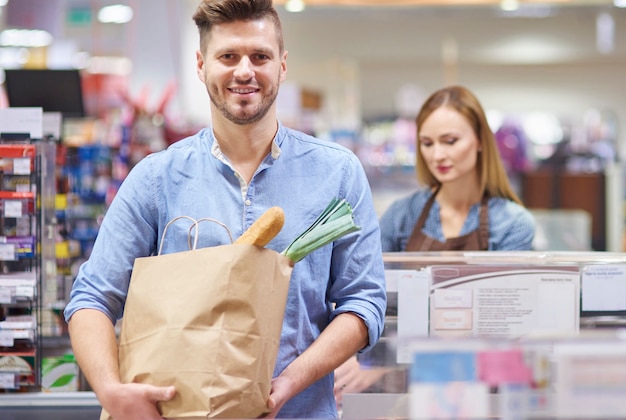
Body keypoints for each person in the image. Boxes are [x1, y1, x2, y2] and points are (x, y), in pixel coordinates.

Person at [63, 1, 386, 419]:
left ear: (282, 65)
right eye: (228, 56)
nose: (245, 71)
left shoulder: (338, 174)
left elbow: (363, 303)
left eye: (260, 56)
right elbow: (91, 298)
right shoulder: (155, 180)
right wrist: (109, 389)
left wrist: (291, 381)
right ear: (201, 65)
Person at [334, 85, 535, 403]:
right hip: (402, 394)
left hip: (481, 390)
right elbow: (366, 293)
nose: (437, 154)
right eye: (427, 143)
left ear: (481, 141)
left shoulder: (512, 223)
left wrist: (391, 371)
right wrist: (352, 356)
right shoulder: (403, 214)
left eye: (450, 141)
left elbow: (502, 333)